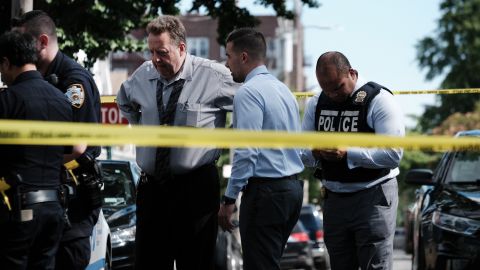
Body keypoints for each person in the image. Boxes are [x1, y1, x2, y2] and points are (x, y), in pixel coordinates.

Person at [116, 15, 238, 270]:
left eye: (161, 52)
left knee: (195, 263)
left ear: (181, 48)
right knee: (149, 262)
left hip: (195, 189)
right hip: (152, 190)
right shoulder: (144, 74)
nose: (155, 59)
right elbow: (123, 100)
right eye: (150, 52)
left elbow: (248, 106)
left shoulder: (214, 76)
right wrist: (140, 131)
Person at [11, 10, 103, 270]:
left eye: (24, 42)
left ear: (41, 42)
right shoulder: (39, 80)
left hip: (73, 205)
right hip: (51, 199)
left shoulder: (73, 82)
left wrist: (29, 163)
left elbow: (77, 147)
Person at [302, 51, 405, 270]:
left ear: (352, 73)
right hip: (334, 198)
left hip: (373, 195)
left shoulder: (379, 99)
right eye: (325, 88)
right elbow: (302, 154)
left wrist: (348, 153)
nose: (332, 95)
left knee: (375, 265)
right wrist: (317, 152)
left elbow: (393, 154)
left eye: (338, 87)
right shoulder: (316, 103)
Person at [218, 28, 305, 270]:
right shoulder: (283, 90)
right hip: (291, 191)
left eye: (228, 56)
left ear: (243, 57)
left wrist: (229, 198)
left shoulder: (248, 93)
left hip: (266, 193)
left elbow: (246, 151)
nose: (227, 64)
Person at [0, 31, 72, 270]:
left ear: (6, 62)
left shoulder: (8, 100)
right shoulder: (62, 100)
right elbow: (67, 150)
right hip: (54, 208)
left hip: (17, 210)